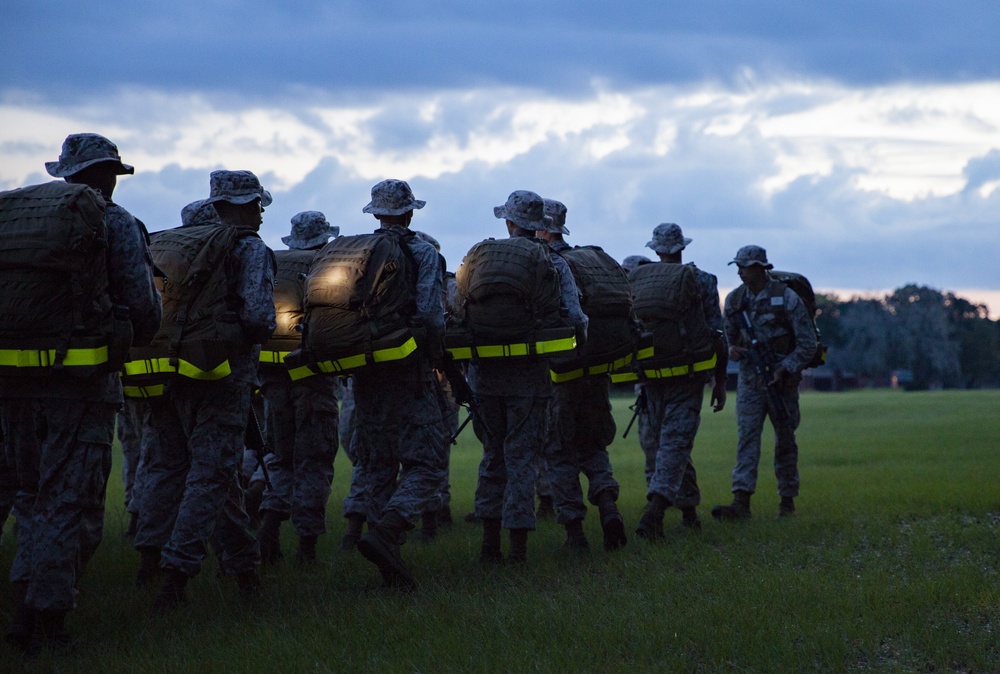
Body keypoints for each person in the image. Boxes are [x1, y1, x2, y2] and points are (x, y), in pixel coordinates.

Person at [1, 133, 160, 654]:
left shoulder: (18, 216)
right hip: (79, 385)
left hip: (12, 383)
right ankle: (41, 618)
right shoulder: (114, 222)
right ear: (110, 173)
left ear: (66, 172)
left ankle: (28, 596)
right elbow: (142, 307)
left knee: (28, 495)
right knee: (69, 500)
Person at [133, 170, 276, 611]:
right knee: (211, 475)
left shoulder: (175, 245)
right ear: (241, 205)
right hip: (219, 377)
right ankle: (175, 577)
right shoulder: (248, 247)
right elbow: (258, 318)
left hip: (164, 373)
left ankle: (240, 571)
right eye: (256, 204)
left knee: (183, 470)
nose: (260, 212)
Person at [466, 190, 587, 565]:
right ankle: (517, 550)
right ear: (541, 224)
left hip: (485, 376)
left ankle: (489, 546)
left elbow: (457, 308)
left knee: (492, 457)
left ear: (508, 221)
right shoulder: (553, 262)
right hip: (530, 380)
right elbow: (576, 318)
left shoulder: (479, 257)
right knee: (522, 461)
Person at [352, 179, 448, 591]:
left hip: (364, 373)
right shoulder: (423, 252)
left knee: (377, 465)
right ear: (409, 213)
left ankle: (385, 564)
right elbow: (431, 315)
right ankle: (388, 533)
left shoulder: (353, 251)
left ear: (375, 213)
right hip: (408, 373)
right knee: (426, 463)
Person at [535, 198, 626, 552]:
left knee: (559, 451)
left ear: (541, 227)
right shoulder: (590, 260)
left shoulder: (545, 264)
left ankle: (574, 530)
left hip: (560, 378)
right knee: (593, 444)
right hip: (597, 372)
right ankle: (607, 505)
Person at [256, 211, 340, 565]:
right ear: (324, 237)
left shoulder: (274, 261)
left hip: (272, 380)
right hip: (312, 378)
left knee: (281, 459)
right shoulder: (326, 264)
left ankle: (268, 528)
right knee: (314, 462)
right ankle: (307, 549)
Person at [633, 223, 728, 539]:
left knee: (663, 443)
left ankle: (684, 513)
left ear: (656, 249)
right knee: (675, 443)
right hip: (687, 375)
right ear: (681, 247)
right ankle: (656, 511)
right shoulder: (702, 280)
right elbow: (716, 334)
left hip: (650, 376)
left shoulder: (641, 278)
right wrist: (720, 381)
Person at [712, 245, 817, 520]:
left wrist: (786, 367)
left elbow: (808, 344)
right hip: (749, 381)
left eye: (744, 267)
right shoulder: (735, 300)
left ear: (759, 267)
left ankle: (787, 503)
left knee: (785, 440)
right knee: (747, 439)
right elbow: (729, 338)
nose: (739, 272)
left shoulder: (787, 298)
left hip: (782, 382)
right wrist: (733, 349)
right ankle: (741, 502)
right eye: (737, 267)